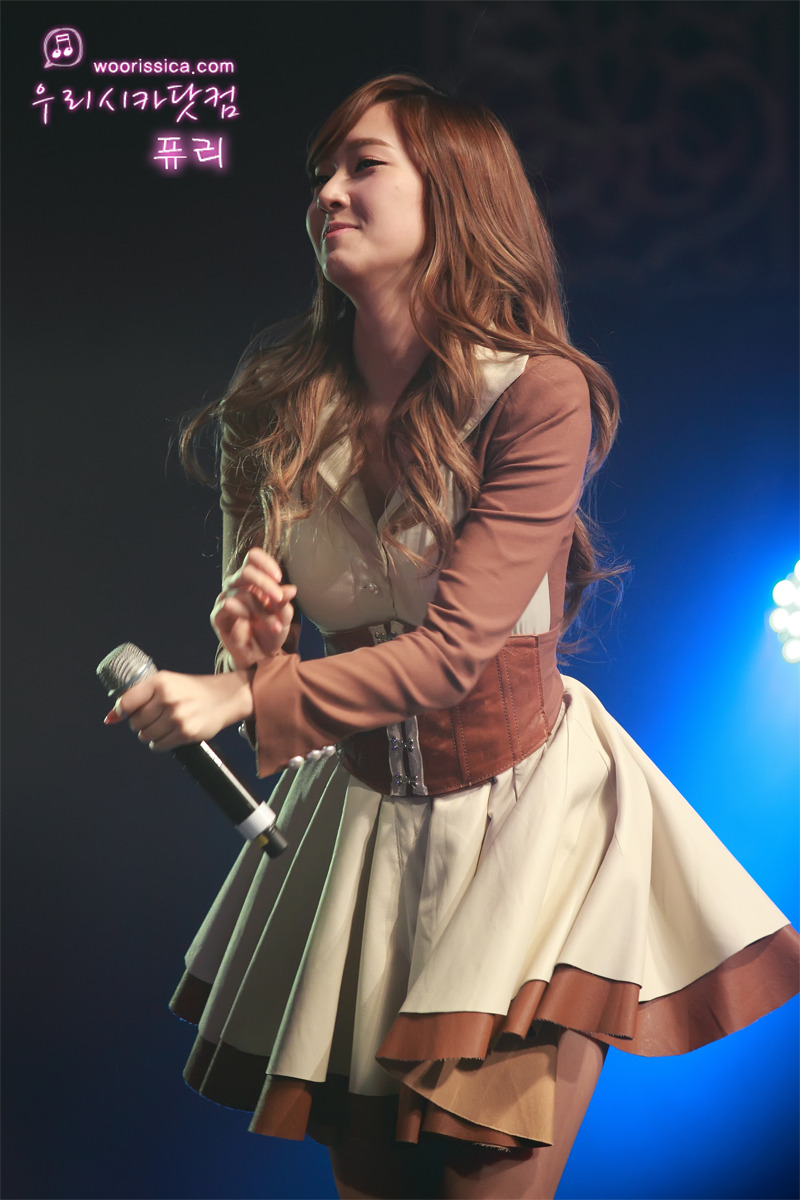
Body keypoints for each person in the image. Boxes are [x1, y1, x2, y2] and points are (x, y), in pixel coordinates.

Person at [106, 75, 800, 1200]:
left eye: (363, 166)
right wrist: (254, 650)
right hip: (364, 827)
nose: (328, 193)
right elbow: (271, 678)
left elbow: (452, 651)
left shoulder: (537, 393)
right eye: (320, 174)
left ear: (454, 196)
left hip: (531, 825)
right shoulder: (271, 406)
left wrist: (240, 695)